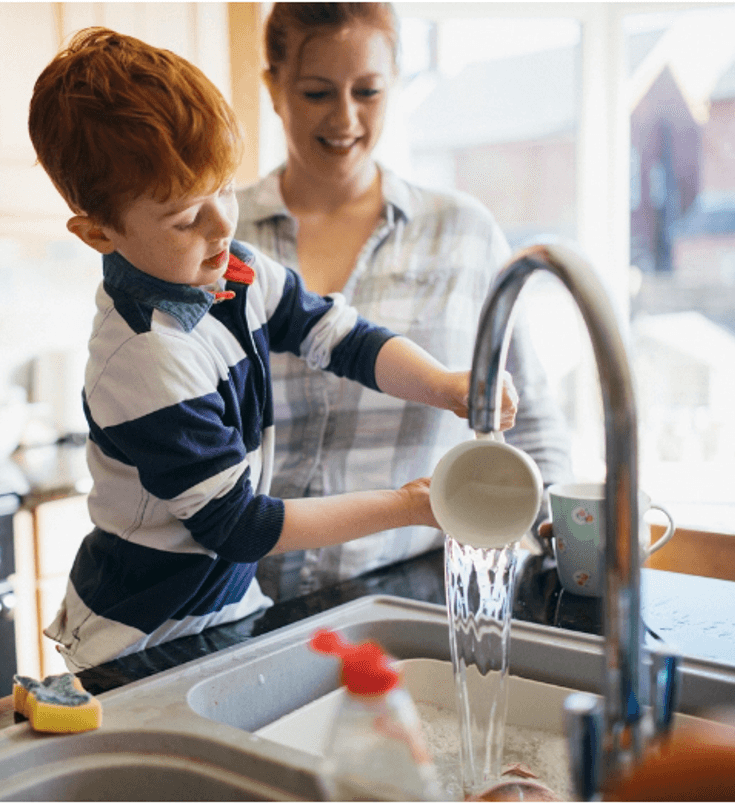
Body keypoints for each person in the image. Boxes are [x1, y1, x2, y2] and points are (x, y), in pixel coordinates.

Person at [26, 27, 519, 672]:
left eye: (225, 189)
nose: (222, 224)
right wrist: (408, 507)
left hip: (224, 615)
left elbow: (342, 337)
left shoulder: (229, 269)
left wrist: (447, 385)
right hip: (140, 639)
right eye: (184, 216)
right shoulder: (146, 358)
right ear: (98, 232)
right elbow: (241, 526)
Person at [235, 3, 573, 600]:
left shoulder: (464, 233)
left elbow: (531, 420)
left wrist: (561, 547)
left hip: (417, 589)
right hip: (244, 598)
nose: (345, 118)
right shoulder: (222, 239)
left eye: (368, 91)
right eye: (316, 93)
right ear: (273, 87)